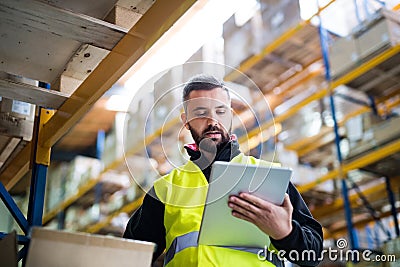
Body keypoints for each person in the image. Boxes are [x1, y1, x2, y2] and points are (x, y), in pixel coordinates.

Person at [124, 74, 323, 266]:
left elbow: (313, 254)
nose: (212, 122)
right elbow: (128, 258)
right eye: (201, 113)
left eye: (220, 111)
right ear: (186, 121)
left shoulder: (266, 176)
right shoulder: (165, 190)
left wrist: (285, 233)